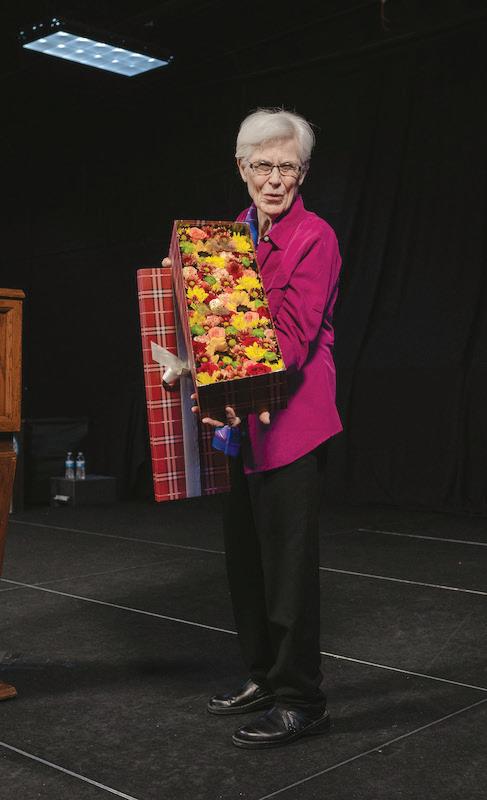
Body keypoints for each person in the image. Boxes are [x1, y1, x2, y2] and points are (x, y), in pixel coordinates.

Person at [166, 108, 342, 749]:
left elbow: (293, 336)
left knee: (288, 572)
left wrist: (227, 371)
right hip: (239, 425)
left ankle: (303, 700)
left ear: (303, 173)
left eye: (286, 167)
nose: (274, 179)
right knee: (246, 563)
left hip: (292, 422)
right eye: (262, 165)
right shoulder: (226, 236)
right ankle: (264, 677)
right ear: (242, 167)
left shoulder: (315, 237)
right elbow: (208, 316)